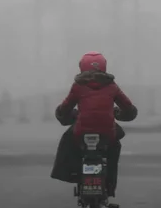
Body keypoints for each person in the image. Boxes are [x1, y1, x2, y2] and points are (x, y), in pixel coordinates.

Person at [53, 51, 137, 197]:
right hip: (107, 132)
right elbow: (128, 107)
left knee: (68, 141)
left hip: (81, 131)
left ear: (82, 67)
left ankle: (71, 173)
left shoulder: (78, 86)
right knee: (114, 147)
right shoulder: (112, 86)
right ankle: (110, 185)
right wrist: (120, 114)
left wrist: (64, 115)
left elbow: (65, 107)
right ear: (103, 66)